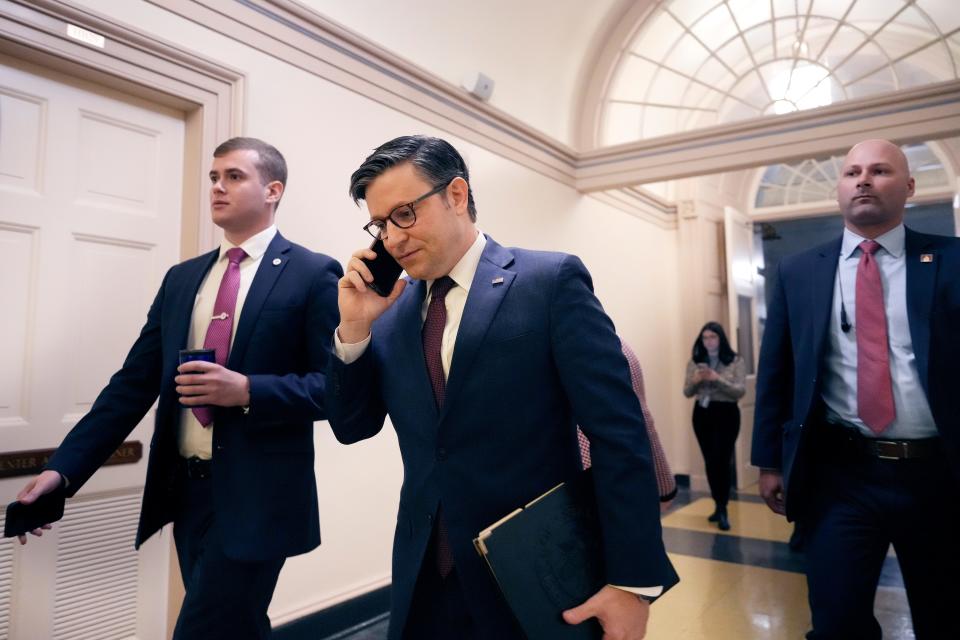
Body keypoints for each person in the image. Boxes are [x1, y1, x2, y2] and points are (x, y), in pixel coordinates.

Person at [327, 135, 678, 640]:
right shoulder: (390, 314)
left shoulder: (549, 282)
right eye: (380, 224)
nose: (392, 239)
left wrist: (632, 582)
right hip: (426, 577)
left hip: (536, 572)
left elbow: (617, 434)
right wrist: (354, 331)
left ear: (456, 195)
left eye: (404, 214)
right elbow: (351, 426)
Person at [15, 137, 342, 640]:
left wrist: (248, 390)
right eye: (214, 177)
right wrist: (63, 468)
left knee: (203, 630)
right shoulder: (183, 279)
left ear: (273, 190)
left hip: (261, 496)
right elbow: (131, 385)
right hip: (186, 493)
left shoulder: (313, 273)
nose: (217, 187)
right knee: (239, 626)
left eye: (234, 176)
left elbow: (332, 388)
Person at [751, 139, 960, 639]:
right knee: (836, 620)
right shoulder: (799, 271)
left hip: (939, 475)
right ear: (839, 189)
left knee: (946, 616)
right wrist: (769, 461)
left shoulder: (950, 260)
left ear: (909, 187)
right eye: (851, 173)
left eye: (880, 171)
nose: (863, 180)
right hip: (841, 474)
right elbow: (778, 368)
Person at [579, 340, 677, 509]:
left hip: (591, 487)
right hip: (618, 481)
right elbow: (643, 418)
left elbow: (642, 418)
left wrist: (664, 486)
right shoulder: (616, 345)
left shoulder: (614, 349)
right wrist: (664, 487)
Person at [682, 321, 745, 530]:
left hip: (726, 414)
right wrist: (697, 379)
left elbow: (740, 391)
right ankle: (717, 504)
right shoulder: (695, 361)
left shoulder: (734, 360)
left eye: (712, 337)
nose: (708, 341)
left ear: (721, 338)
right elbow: (687, 392)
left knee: (722, 459)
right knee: (710, 460)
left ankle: (724, 506)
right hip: (702, 414)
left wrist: (717, 378)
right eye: (705, 337)